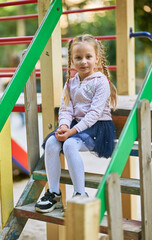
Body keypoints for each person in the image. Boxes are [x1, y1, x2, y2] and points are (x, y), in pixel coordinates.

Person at [35, 34, 117, 213]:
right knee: (51, 143)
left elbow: (94, 113)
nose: (83, 62)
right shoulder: (70, 83)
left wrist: (71, 132)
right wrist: (64, 125)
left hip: (97, 126)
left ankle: (80, 194)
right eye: (78, 58)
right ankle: (54, 193)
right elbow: (66, 109)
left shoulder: (101, 81)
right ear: (72, 60)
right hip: (74, 125)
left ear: (97, 58)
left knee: (70, 145)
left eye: (88, 57)